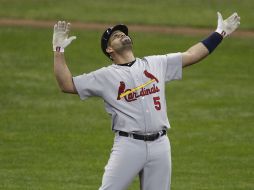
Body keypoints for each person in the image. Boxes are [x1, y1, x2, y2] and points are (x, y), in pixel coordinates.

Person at [53, 12, 240, 190]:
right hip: (128, 145)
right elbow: (67, 84)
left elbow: (192, 55)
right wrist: (58, 50)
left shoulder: (156, 63)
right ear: (109, 49)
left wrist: (220, 33)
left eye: (124, 34)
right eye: (117, 36)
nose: (123, 36)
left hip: (160, 145)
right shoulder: (105, 76)